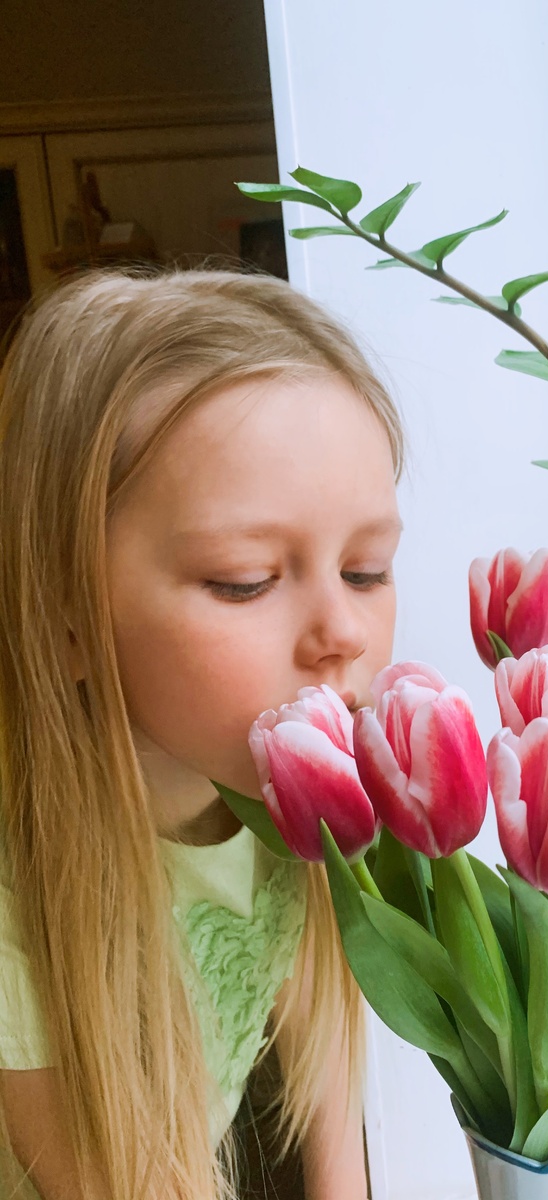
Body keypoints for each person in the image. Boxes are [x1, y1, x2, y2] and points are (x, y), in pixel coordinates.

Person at [0, 266, 406, 1199]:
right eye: (244, 579)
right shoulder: (25, 903)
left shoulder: (290, 804)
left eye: (368, 570)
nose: (342, 634)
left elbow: (331, 1117)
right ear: (68, 615)